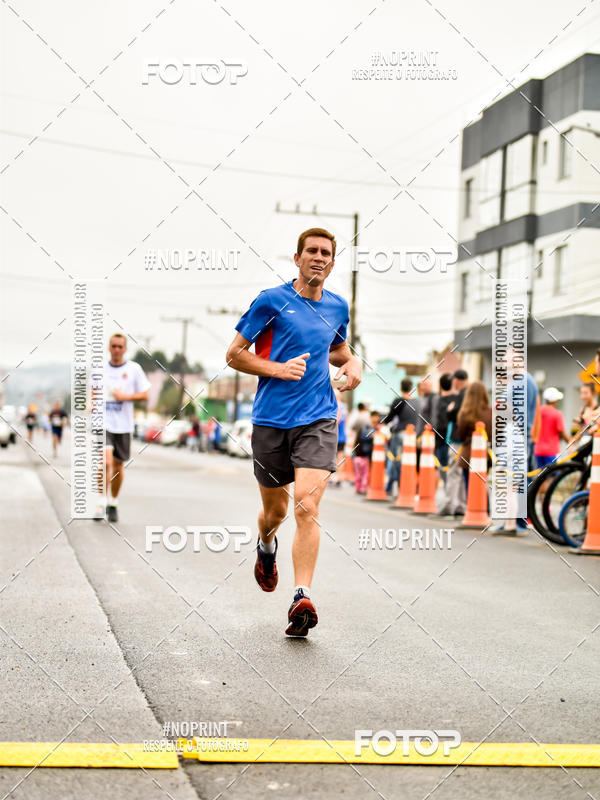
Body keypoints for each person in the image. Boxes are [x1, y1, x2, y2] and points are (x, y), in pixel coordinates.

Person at [226, 227, 361, 637]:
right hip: (271, 420)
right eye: (312, 251)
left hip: (319, 418)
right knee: (275, 513)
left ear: (332, 263)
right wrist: (278, 369)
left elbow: (335, 348)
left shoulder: (338, 307)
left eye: (326, 253)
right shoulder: (272, 301)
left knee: (306, 506)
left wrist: (353, 363)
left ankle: (301, 596)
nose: (318, 258)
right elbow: (234, 355)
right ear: (298, 258)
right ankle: (266, 547)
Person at [100, 333, 150, 523]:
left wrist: (124, 397)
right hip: (104, 423)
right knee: (105, 462)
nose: (117, 350)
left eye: (120, 347)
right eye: (113, 346)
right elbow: (92, 391)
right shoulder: (100, 369)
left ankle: (112, 503)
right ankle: (100, 501)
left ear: (125, 349)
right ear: (109, 347)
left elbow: (144, 394)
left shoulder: (134, 369)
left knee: (118, 466)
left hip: (123, 424)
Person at [435, 369, 469, 518]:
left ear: (457, 380)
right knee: (459, 474)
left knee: (453, 472)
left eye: (454, 379)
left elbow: (453, 414)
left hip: (457, 439)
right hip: (460, 439)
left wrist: (450, 411)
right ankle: (460, 505)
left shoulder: (462, 396)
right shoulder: (464, 394)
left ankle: (449, 505)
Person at [382, 377, 419, 495]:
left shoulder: (399, 401)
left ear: (401, 387)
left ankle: (392, 486)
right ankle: (407, 487)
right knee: (409, 462)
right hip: (413, 436)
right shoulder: (417, 402)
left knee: (395, 460)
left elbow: (389, 417)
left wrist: (381, 424)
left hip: (400, 434)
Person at [456, 381, 492, 492]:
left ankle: (471, 508)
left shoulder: (465, 413)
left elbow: (460, 436)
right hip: (485, 454)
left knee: (469, 486)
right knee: (482, 486)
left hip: (468, 454)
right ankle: (485, 507)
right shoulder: (491, 413)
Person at [534, 387, 570, 469]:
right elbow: (562, 432)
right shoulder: (557, 414)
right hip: (552, 451)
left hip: (538, 450)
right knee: (552, 476)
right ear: (555, 400)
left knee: (541, 476)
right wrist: (570, 442)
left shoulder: (538, 411)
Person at [433, 373, 453, 482]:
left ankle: (448, 491)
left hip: (443, 438)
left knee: (444, 467)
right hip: (447, 438)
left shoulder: (437, 400)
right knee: (446, 467)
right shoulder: (454, 399)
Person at [330, 390, 347, 487]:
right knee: (340, 458)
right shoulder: (344, 406)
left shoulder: (336, 406)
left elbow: (337, 420)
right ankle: (339, 478)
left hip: (335, 436)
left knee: (331, 458)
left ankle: (332, 479)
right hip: (342, 436)